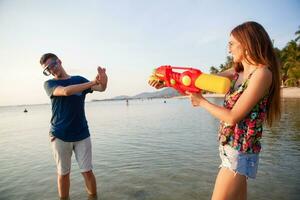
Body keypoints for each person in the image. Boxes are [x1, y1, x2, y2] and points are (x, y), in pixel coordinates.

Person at [148, 21, 281, 200]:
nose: (229, 49)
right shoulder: (236, 72)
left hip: (239, 153)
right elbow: (198, 81)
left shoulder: (262, 74)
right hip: (230, 151)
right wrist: (168, 81)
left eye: (232, 44)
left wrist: (202, 102)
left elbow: (233, 117)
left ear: (247, 44)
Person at [40, 53, 108, 199]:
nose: (51, 69)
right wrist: (91, 82)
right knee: (63, 173)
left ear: (59, 61)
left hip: (82, 134)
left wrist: (103, 79)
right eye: (47, 69)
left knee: (87, 171)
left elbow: (102, 88)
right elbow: (65, 91)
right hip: (60, 135)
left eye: (52, 64)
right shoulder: (49, 84)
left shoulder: (79, 80)